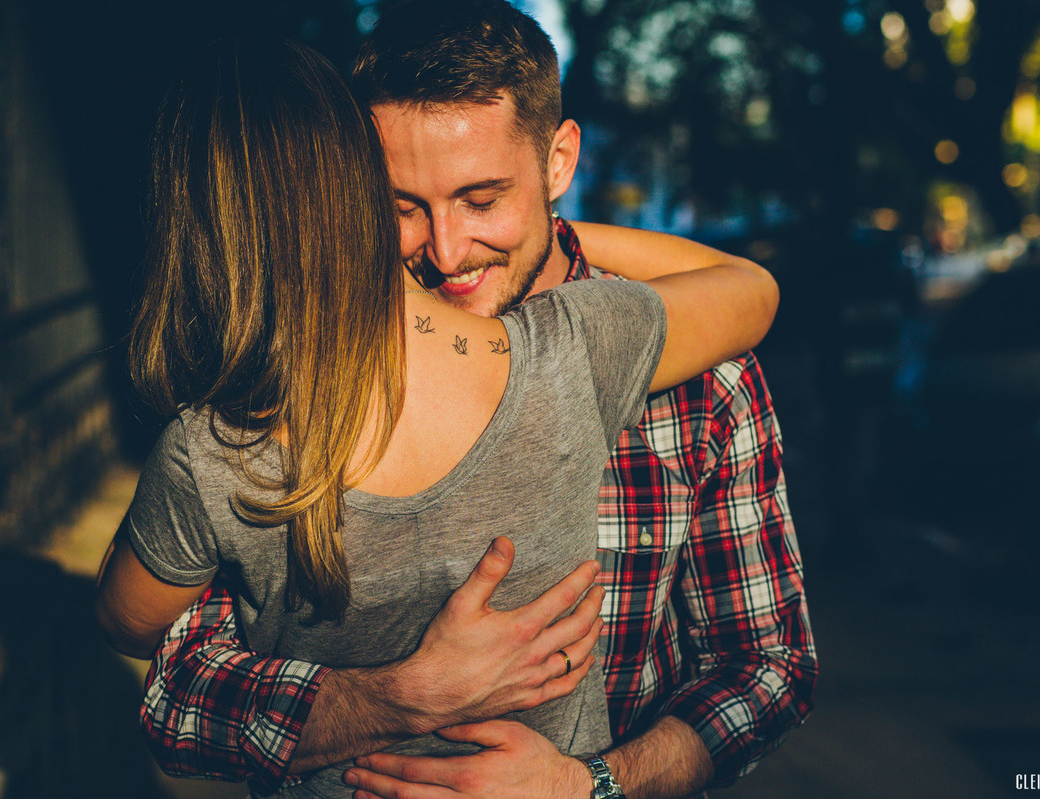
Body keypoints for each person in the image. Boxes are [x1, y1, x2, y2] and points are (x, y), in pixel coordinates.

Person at [94, 31, 779, 799]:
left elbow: (765, 668)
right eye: (403, 205)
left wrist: (589, 785)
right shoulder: (578, 346)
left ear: (556, 165)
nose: (450, 253)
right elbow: (181, 690)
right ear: (357, 194)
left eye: (483, 200)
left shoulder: (218, 447)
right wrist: (396, 694)